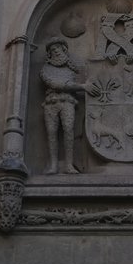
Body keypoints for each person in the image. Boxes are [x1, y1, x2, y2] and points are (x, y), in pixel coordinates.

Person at [41, 37, 84, 174]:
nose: (57, 51)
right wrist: (82, 86)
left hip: (67, 102)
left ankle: (69, 165)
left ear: (64, 49)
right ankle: (53, 165)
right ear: (49, 53)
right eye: (53, 49)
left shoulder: (72, 69)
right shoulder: (45, 69)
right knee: (52, 133)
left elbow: (71, 82)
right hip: (50, 103)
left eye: (59, 48)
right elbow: (54, 84)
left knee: (68, 130)